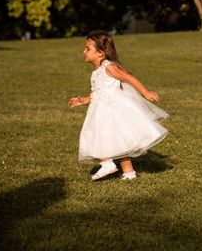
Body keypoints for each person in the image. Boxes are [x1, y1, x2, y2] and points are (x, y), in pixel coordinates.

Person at [69, 31, 168, 181]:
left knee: (97, 136)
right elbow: (97, 92)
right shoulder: (96, 72)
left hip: (111, 110)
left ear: (101, 53)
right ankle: (129, 173)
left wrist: (146, 93)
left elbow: (128, 77)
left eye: (88, 49)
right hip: (101, 110)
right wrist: (84, 100)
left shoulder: (109, 67)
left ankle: (107, 163)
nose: (84, 51)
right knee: (119, 142)